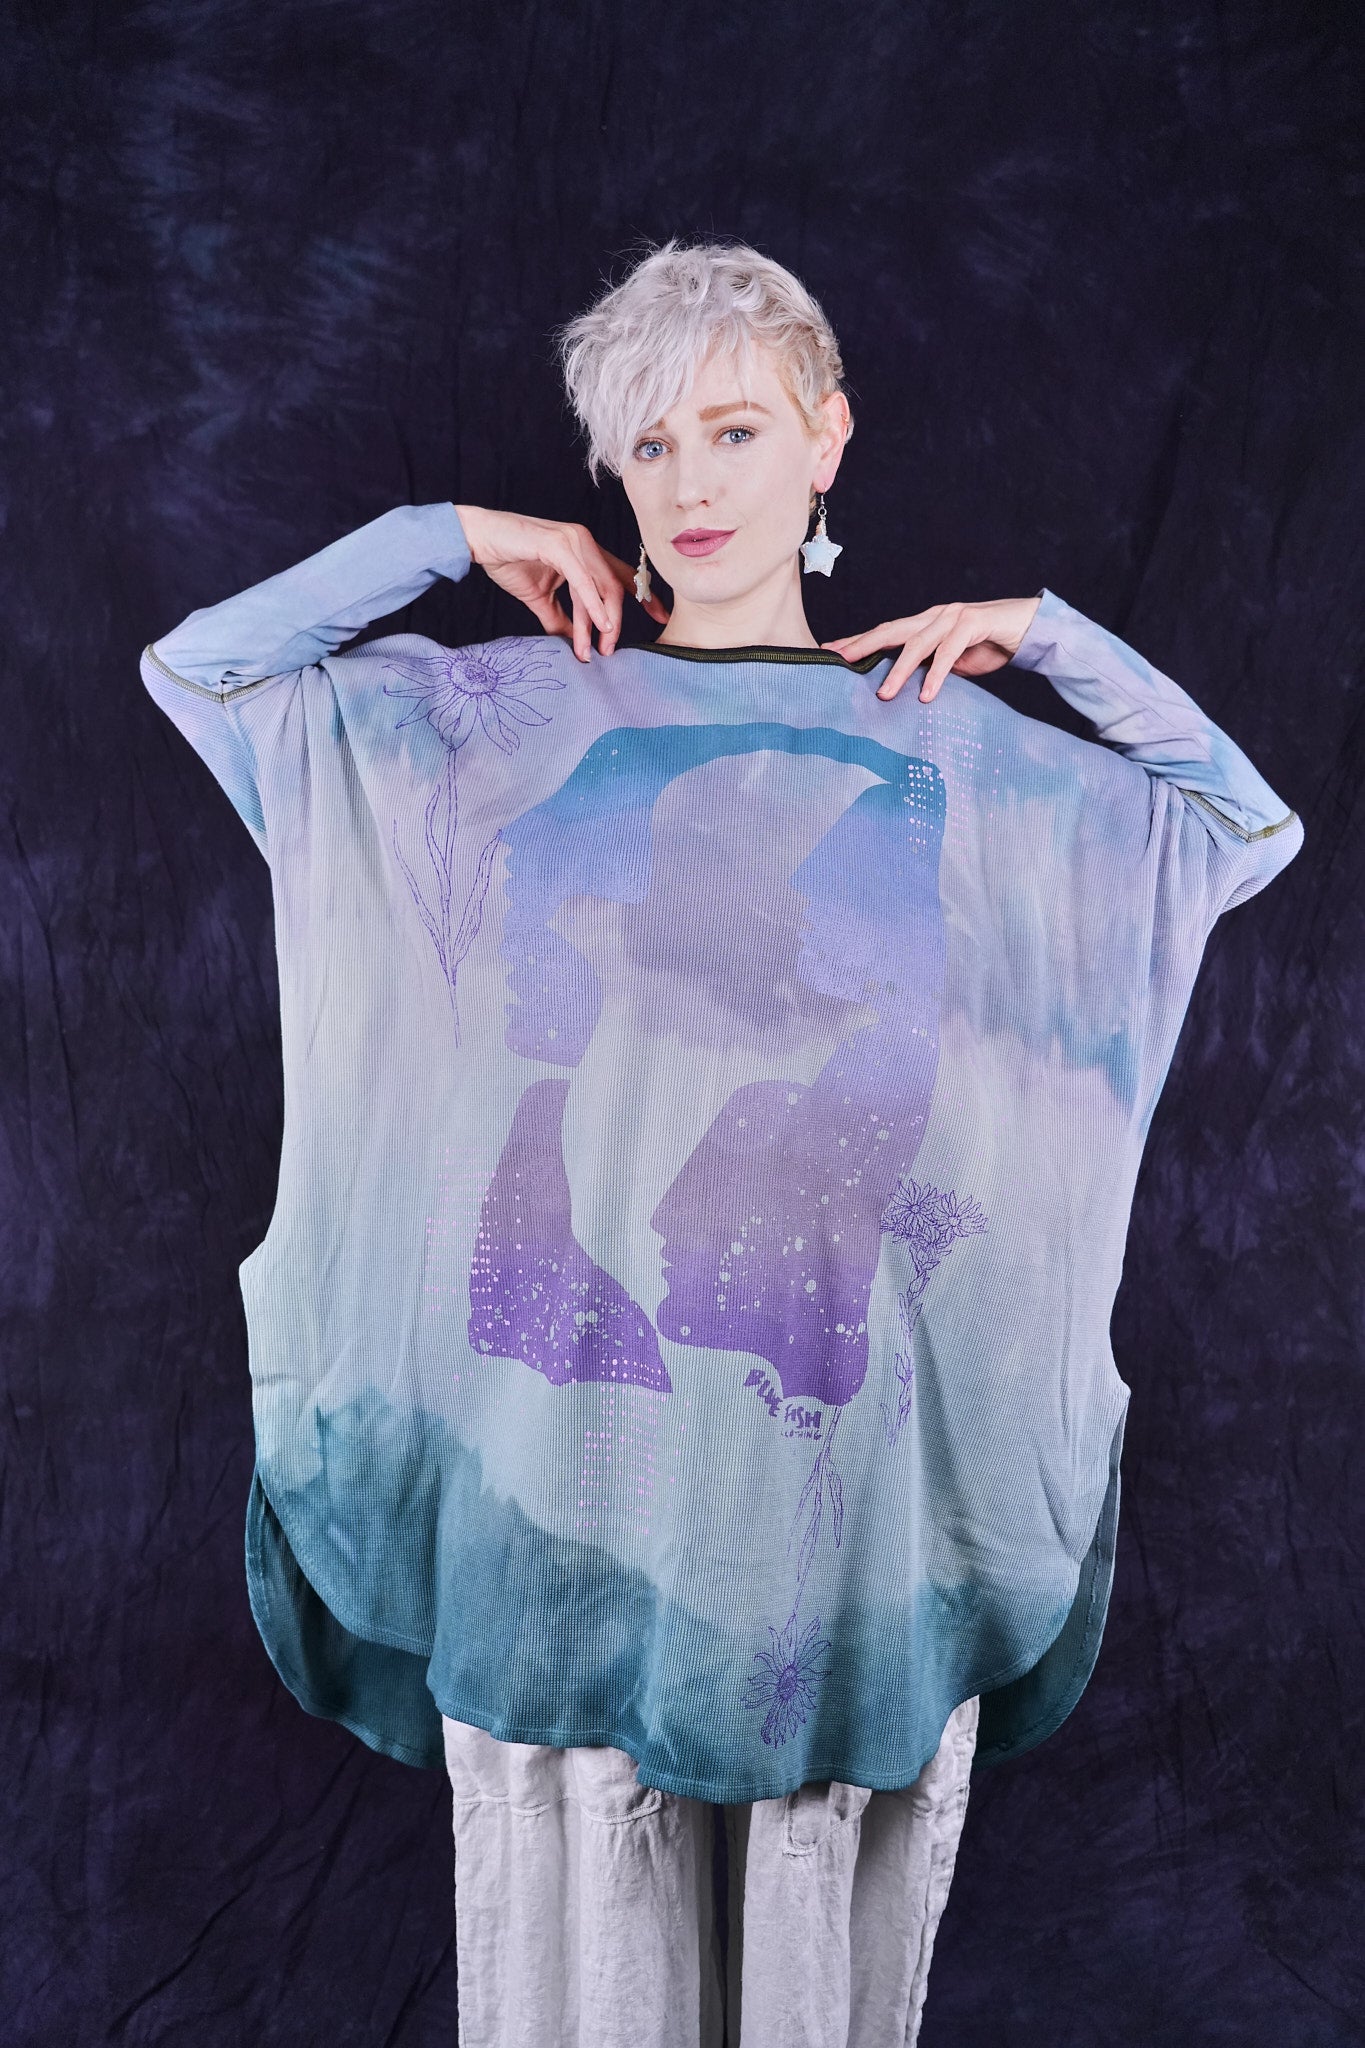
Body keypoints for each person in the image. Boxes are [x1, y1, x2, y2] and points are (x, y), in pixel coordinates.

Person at [140, 241, 1302, 2047]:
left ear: (826, 439)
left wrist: (1047, 639)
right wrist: (447, 535)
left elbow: (1235, 826)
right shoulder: (504, 727)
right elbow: (205, 673)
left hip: (823, 1524)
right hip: (569, 1496)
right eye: (650, 443)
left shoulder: (956, 753)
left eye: (736, 430)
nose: (690, 483)